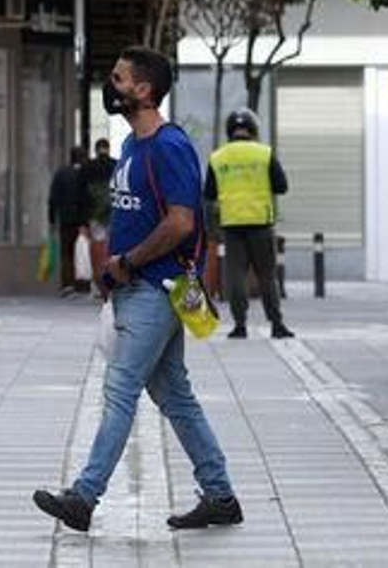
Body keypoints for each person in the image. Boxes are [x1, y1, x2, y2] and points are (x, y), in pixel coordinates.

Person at [33, 46, 241, 533]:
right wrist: (113, 273)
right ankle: (220, 495)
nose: (112, 86)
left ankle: (85, 496)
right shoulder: (130, 146)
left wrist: (128, 263)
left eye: (119, 79)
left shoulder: (169, 147)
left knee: (120, 386)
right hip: (133, 287)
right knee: (175, 397)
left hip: (156, 287)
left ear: (144, 91)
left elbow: (181, 222)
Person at [206, 109, 293, 340]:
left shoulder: (217, 157)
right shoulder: (265, 153)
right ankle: (276, 325)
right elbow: (282, 186)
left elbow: (209, 193)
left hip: (231, 224)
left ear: (229, 130)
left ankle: (239, 326)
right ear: (253, 130)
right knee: (266, 275)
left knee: (235, 276)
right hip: (260, 223)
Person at [48, 146, 92, 294]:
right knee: (85, 251)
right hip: (84, 220)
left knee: (67, 253)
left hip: (66, 219)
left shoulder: (61, 174)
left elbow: (53, 198)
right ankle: (84, 284)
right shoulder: (87, 173)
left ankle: (68, 284)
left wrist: (52, 218)